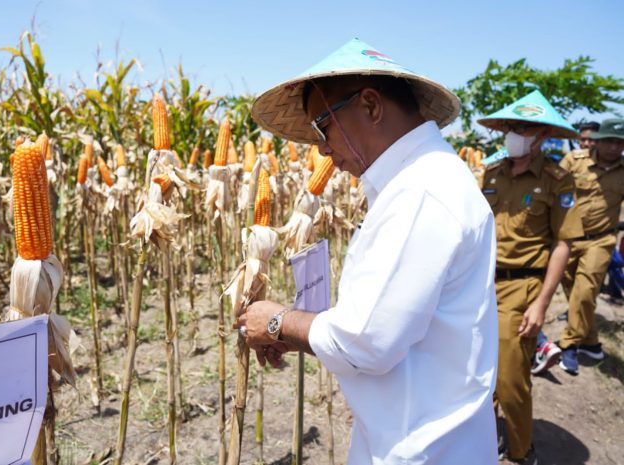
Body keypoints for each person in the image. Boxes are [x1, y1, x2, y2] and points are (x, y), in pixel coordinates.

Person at [237, 38, 499, 465]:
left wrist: (278, 321)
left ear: (371, 106)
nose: (322, 149)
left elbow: (367, 341)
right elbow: (390, 324)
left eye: (322, 128)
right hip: (413, 431)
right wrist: (296, 335)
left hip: (421, 447)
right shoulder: (422, 181)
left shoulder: (421, 193)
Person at [477, 90, 584, 463]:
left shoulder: (557, 181)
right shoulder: (491, 174)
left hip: (523, 288)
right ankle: (485, 441)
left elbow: (563, 244)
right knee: (478, 376)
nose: (513, 135)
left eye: (522, 129)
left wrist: (541, 304)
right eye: (510, 128)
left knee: (509, 380)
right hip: (480, 284)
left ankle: (522, 451)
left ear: (540, 137)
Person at [554, 119, 624, 374]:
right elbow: (554, 189)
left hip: (601, 240)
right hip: (568, 239)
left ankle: (569, 345)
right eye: (609, 141)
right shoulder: (575, 161)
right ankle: (591, 342)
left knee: (585, 293)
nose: (614, 147)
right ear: (598, 140)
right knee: (576, 295)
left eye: (619, 142)